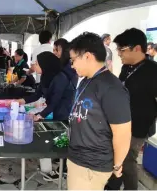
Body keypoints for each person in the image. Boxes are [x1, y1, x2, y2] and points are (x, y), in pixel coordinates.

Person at [67, 32, 131, 190]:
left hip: (92, 166)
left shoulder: (111, 88)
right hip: (78, 159)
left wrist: (117, 167)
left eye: (73, 60)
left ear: (87, 56)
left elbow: (122, 134)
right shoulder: (87, 81)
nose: (72, 65)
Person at [105, 28, 157, 190]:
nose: (119, 54)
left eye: (122, 49)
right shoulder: (127, 67)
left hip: (139, 126)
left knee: (127, 161)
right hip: (121, 122)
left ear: (137, 49)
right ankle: (113, 185)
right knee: (117, 157)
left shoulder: (152, 70)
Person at [16, 52, 75, 122]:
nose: (34, 65)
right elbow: (37, 95)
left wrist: (39, 116)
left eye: (37, 64)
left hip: (64, 112)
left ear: (44, 65)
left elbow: (54, 102)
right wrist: (21, 101)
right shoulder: (45, 76)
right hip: (53, 110)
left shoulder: (60, 78)